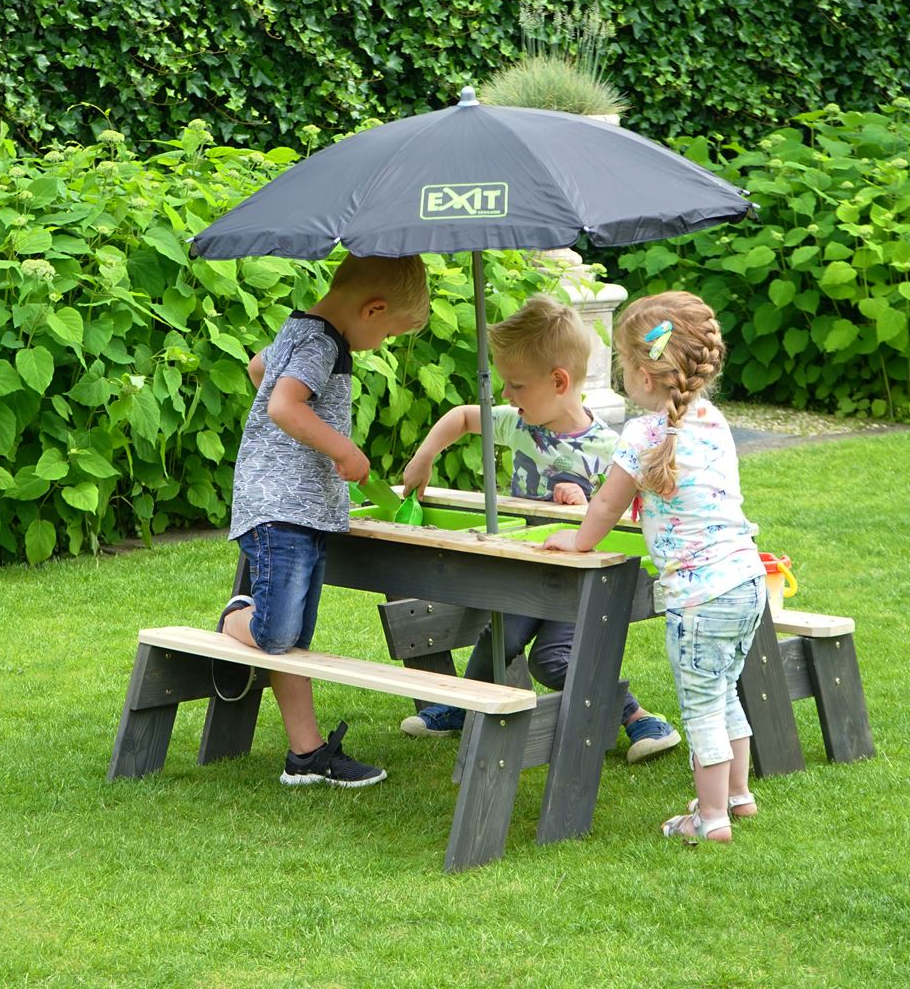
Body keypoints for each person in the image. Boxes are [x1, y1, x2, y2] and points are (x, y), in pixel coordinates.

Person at [395, 294, 682, 763]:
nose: (507, 396)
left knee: (553, 660)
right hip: (525, 569)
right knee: (500, 632)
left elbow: (623, 512)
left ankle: (637, 718)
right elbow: (463, 417)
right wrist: (424, 457)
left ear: (558, 381)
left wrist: (585, 504)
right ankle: (464, 704)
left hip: (577, 584)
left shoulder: (611, 448)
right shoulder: (520, 425)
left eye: (516, 385)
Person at [543, 290, 767, 844]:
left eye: (622, 364)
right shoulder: (713, 421)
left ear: (644, 374)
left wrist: (577, 542)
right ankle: (736, 796)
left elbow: (605, 505)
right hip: (747, 582)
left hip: (699, 599)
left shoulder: (644, 434)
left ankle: (710, 819)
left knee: (700, 708)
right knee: (724, 689)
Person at [216, 253, 431, 788]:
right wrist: (344, 450)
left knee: (293, 638)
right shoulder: (322, 343)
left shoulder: (299, 327)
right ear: (373, 308)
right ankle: (235, 618)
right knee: (277, 631)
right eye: (386, 333)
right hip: (281, 507)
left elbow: (258, 369)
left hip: (300, 506)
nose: (378, 345)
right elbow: (284, 407)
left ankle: (306, 755)